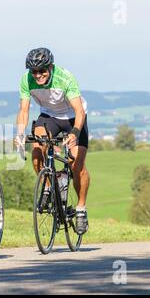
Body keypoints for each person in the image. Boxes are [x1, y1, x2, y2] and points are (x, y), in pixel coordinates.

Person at [15, 47, 90, 235]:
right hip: (49, 116)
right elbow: (24, 110)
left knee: (77, 165)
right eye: (34, 72)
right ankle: (48, 186)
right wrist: (19, 133)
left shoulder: (64, 78)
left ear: (50, 67)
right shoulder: (27, 80)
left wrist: (74, 133)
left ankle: (81, 209)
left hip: (73, 118)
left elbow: (79, 111)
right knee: (37, 150)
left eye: (42, 71)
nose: (38, 75)